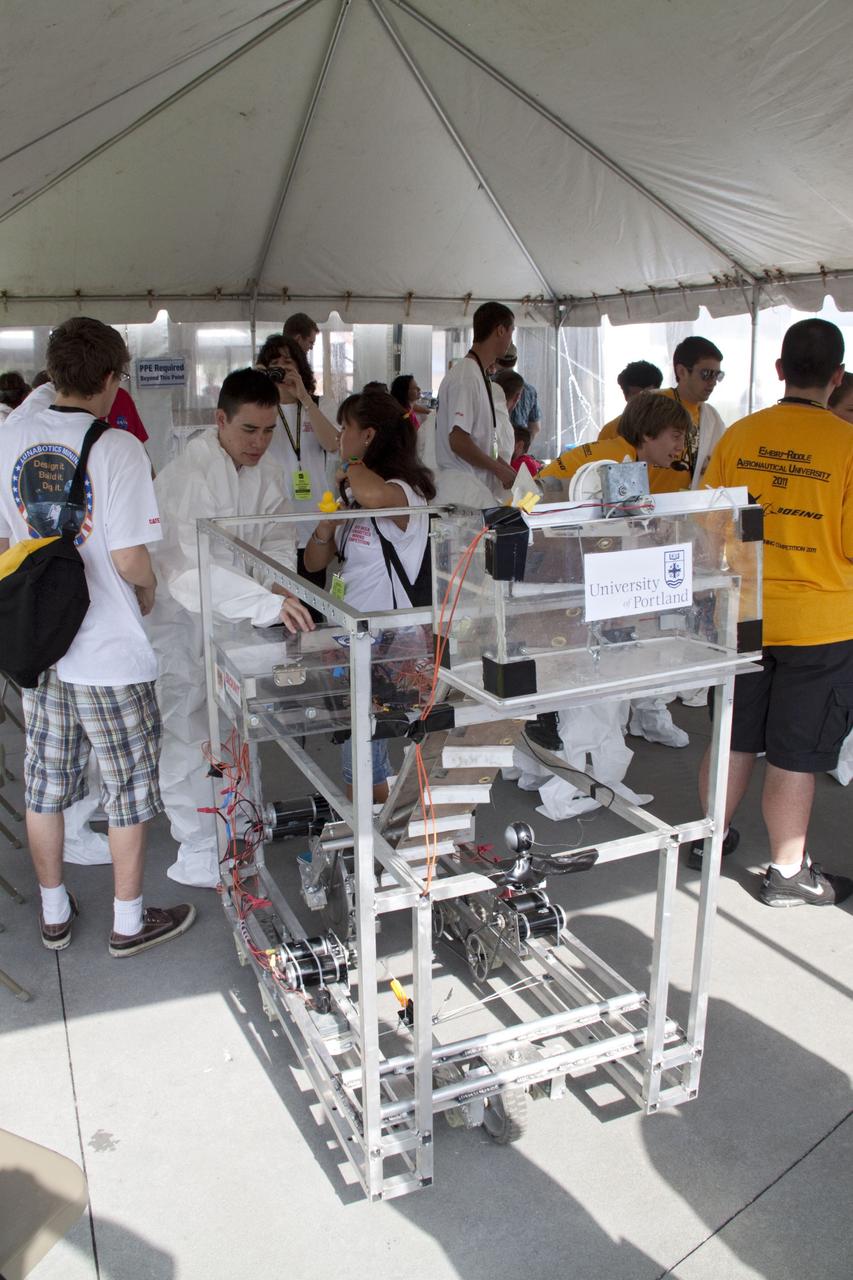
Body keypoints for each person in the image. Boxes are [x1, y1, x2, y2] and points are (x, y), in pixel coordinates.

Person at [0, 316, 195, 956]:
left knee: (46, 782)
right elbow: (131, 556)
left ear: (53, 372)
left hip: (42, 643)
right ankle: (128, 921)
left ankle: (54, 912)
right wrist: (146, 593)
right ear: (113, 379)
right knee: (128, 789)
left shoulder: (12, 434)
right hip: (108, 650)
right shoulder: (117, 449)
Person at [688, 318, 853, 907]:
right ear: (836, 379)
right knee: (796, 750)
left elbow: (707, 527)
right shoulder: (848, 443)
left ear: (780, 369)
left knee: (733, 733)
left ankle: (710, 838)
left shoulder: (738, 438)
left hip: (744, 615)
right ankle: (786, 874)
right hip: (821, 626)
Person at [146, 368, 315, 888]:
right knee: (188, 730)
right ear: (220, 419)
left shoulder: (263, 472)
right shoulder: (187, 476)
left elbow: (277, 535)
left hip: (238, 623)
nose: (260, 443)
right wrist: (264, 603)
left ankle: (239, 818)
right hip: (184, 626)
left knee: (237, 728)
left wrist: (282, 586)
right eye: (249, 430)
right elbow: (190, 572)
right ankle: (195, 843)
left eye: (269, 431)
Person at [303, 391, 435, 803]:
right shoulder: (354, 495)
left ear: (370, 436)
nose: (340, 438)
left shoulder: (402, 491)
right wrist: (327, 527)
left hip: (389, 640)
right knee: (365, 746)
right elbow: (313, 561)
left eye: (346, 430)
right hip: (352, 636)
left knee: (361, 751)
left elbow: (376, 496)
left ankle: (371, 841)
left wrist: (351, 465)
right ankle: (380, 830)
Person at [255, 333, 339, 597]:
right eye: (274, 364)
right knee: (275, 608)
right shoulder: (260, 409)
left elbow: (334, 444)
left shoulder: (318, 404)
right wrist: (255, 386)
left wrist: (303, 397)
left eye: (287, 362)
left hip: (311, 522)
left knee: (312, 603)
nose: (281, 369)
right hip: (272, 523)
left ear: (301, 367)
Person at [435, 301, 517, 505]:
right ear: (500, 330)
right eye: (510, 332)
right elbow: (458, 441)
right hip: (463, 494)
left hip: (474, 490)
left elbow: (480, 442)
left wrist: (505, 469)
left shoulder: (477, 374)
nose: (510, 340)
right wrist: (498, 469)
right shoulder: (467, 377)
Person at [538, 390, 691, 493]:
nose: (681, 447)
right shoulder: (621, 463)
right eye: (676, 436)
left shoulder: (619, 451)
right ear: (648, 434)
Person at [598, 360, 663, 440]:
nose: (645, 402)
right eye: (638, 397)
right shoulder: (610, 432)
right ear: (626, 396)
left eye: (649, 395)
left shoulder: (672, 428)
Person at [494, 342, 542, 439]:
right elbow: (535, 428)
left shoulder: (488, 385)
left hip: (492, 447)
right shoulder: (530, 390)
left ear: (496, 360)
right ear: (515, 361)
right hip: (519, 447)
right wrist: (522, 448)